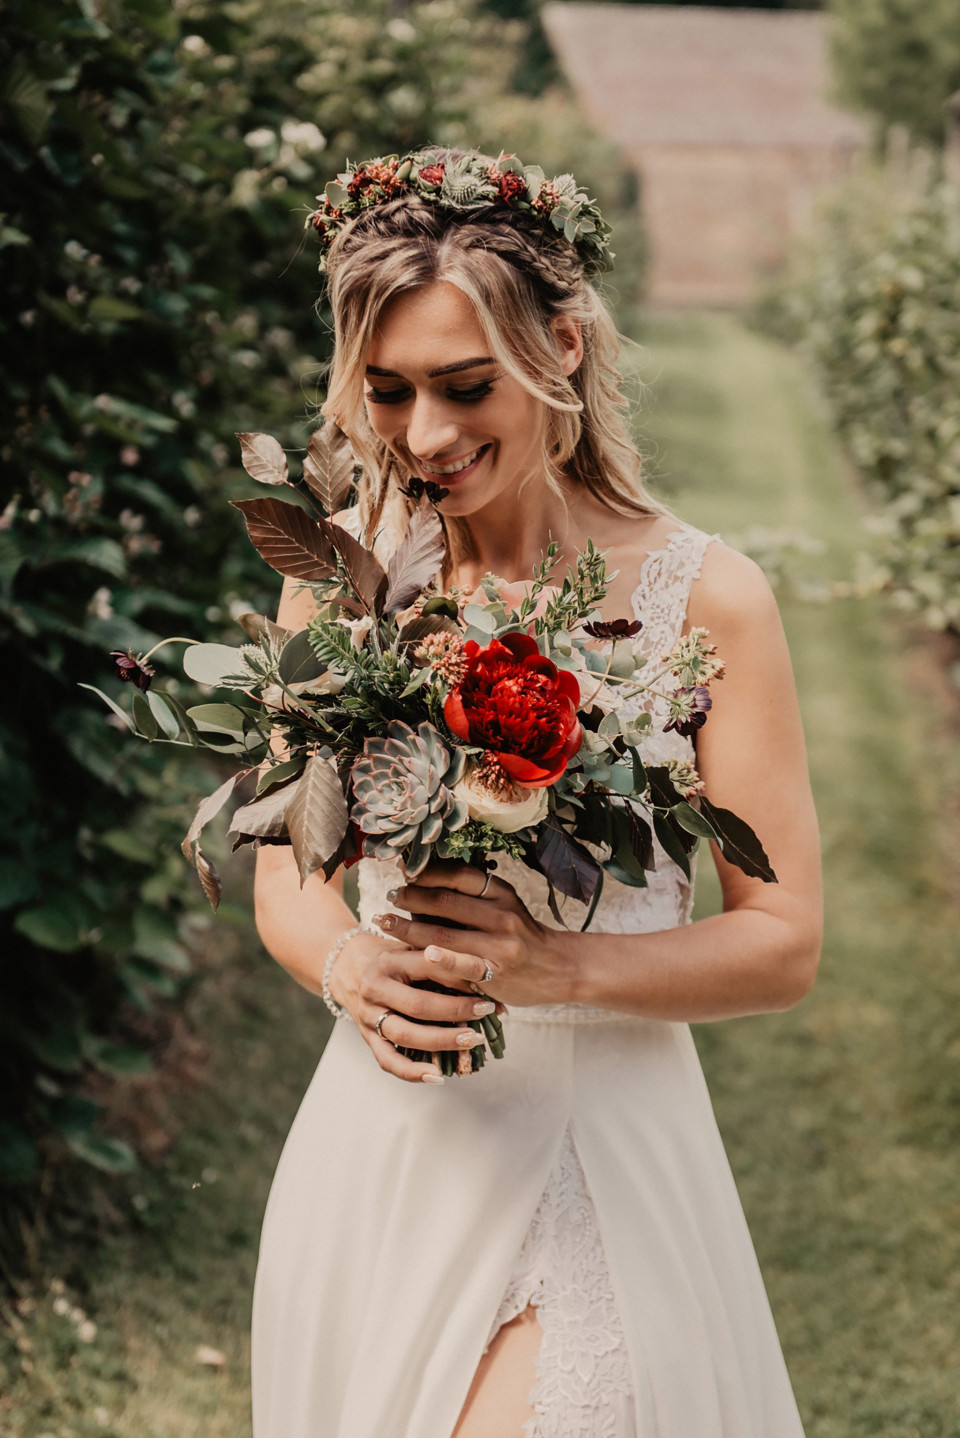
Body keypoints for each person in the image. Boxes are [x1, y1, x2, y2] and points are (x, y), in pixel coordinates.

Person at [250, 146, 822, 1437]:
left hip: (607, 1147)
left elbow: (783, 942)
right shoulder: (339, 579)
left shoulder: (705, 598)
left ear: (561, 347)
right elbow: (290, 878)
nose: (426, 435)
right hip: (391, 1146)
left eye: (464, 386)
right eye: (388, 392)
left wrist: (552, 969)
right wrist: (348, 967)